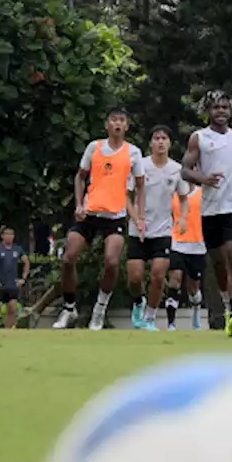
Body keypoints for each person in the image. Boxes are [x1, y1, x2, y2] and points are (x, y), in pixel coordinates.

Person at [54, 108, 145, 330]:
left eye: (122, 120)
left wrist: (140, 217)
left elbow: (141, 186)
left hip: (115, 216)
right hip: (89, 213)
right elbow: (80, 176)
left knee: (112, 262)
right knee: (68, 258)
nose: (117, 124)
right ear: (107, 125)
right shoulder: (94, 147)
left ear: (126, 126)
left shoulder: (133, 152)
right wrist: (78, 204)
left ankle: (99, 310)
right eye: (113, 120)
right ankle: (69, 308)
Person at [182, 90, 232, 336]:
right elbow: (185, 171)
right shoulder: (198, 138)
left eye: (224, 107)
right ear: (208, 111)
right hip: (211, 208)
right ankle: (225, 297)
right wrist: (204, 179)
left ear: (231, 110)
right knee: (219, 261)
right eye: (215, 107)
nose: (220, 111)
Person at [126, 126, 187, 332]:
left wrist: (183, 218)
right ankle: (138, 303)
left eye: (164, 138)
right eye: (156, 138)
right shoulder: (140, 166)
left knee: (159, 275)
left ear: (170, 143)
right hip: (138, 231)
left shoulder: (176, 169)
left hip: (163, 231)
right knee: (135, 278)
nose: (160, 142)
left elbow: (184, 198)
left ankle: (150, 318)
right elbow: (126, 196)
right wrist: (137, 220)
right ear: (150, 143)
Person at [166, 169, 206, 332]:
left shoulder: (202, 194)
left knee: (193, 287)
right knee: (174, 279)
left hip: (197, 245)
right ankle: (171, 323)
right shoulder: (174, 195)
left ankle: (196, 308)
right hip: (176, 243)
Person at [0, 227, 30, 329]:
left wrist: (23, 279)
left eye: (11, 234)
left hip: (12, 284)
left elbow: (26, 262)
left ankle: (8, 331)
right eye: (7, 234)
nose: (9, 237)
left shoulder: (17, 249)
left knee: (12, 308)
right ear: (2, 236)